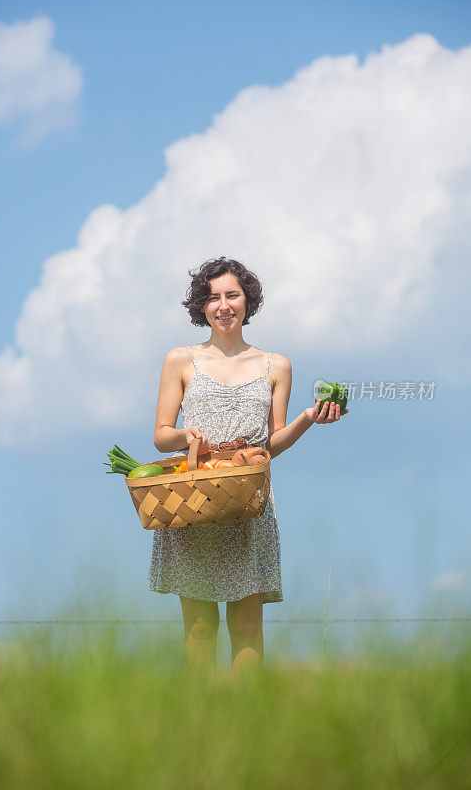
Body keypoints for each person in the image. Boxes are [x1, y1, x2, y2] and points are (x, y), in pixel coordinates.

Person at [149, 257, 348, 678]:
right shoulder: (179, 360)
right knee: (200, 626)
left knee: (247, 627)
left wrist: (308, 419)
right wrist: (186, 437)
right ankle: (201, 726)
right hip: (195, 498)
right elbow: (161, 433)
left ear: (247, 302)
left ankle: (248, 730)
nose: (223, 305)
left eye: (232, 295)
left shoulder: (276, 365)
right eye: (213, 297)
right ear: (201, 306)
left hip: (249, 503)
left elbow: (272, 443)